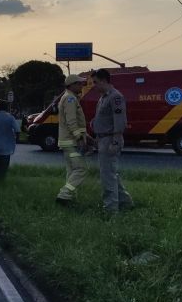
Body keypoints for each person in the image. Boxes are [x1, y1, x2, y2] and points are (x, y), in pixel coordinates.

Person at [91, 69, 133, 213]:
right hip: (103, 138)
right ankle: (125, 202)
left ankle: (111, 210)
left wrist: (115, 141)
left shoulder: (115, 97)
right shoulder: (103, 97)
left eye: (95, 82)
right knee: (111, 173)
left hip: (110, 139)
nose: (94, 86)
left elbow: (119, 120)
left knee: (107, 177)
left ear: (104, 80)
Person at [56, 74, 91, 205]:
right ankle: (64, 195)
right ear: (71, 85)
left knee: (71, 171)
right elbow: (72, 121)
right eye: (79, 83)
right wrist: (79, 138)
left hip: (68, 141)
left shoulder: (70, 97)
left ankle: (69, 198)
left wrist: (87, 137)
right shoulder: (70, 99)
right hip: (72, 142)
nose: (81, 86)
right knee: (81, 169)